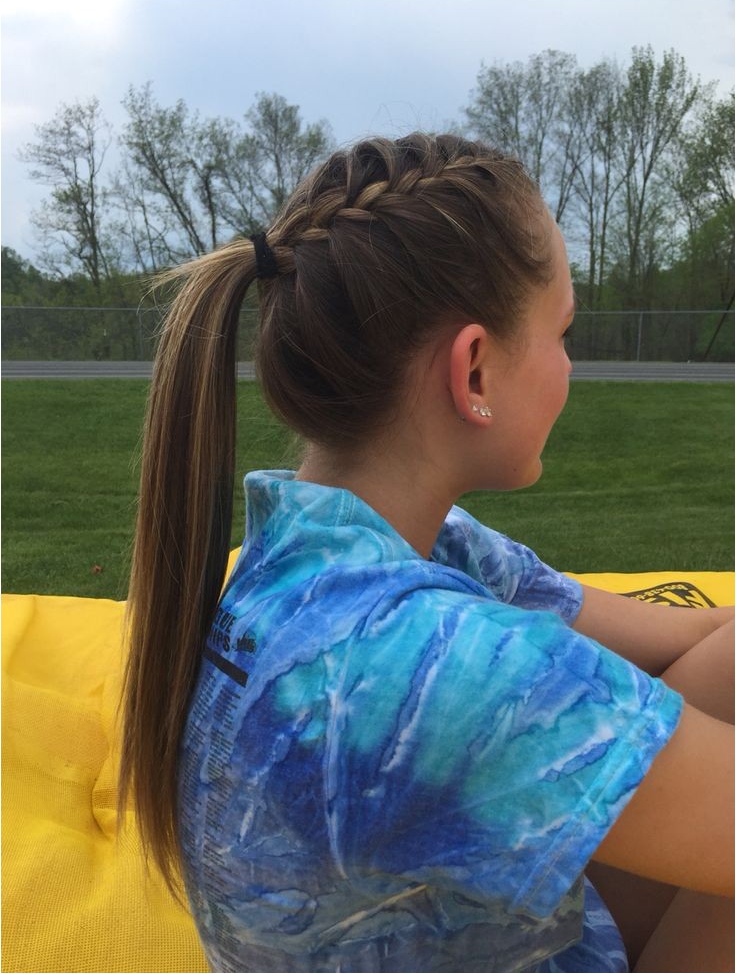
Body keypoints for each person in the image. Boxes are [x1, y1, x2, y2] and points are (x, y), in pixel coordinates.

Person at [116, 134, 734, 973]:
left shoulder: (339, 552)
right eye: (562, 331)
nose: (569, 365)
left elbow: (689, 640)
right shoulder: (431, 667)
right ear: (474, 369)